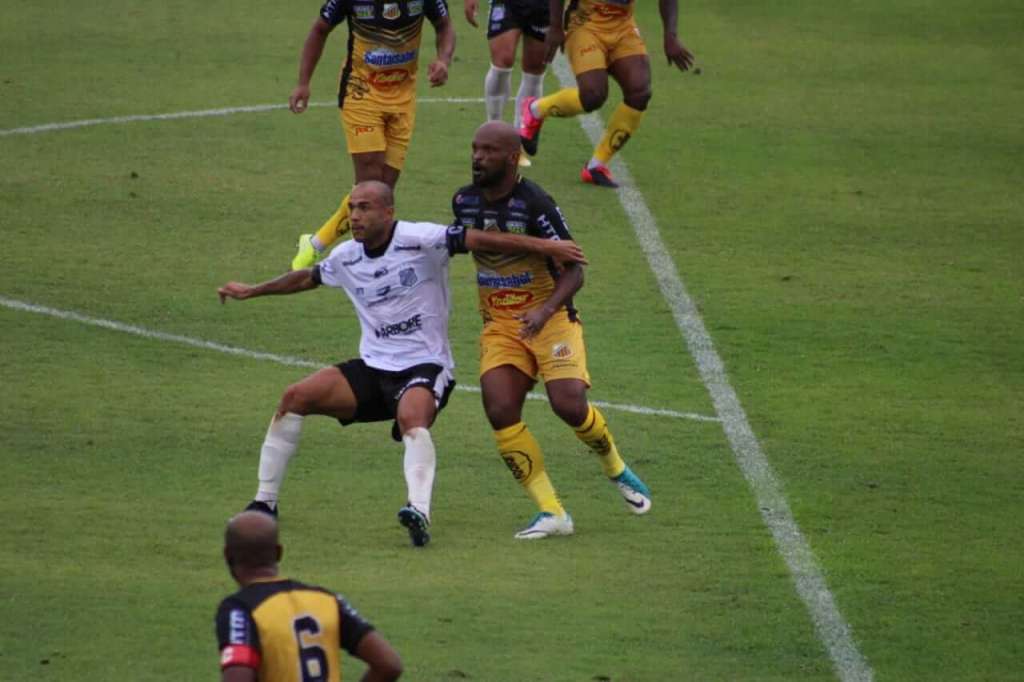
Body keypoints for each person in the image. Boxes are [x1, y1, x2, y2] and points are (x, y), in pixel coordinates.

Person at [218, 181, 585, 547]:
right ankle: (264, 503)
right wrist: (253, 290)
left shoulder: (422, 238)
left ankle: (419, 511)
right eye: (351, 209)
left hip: (425, 367)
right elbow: (307, 277)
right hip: (374, 367)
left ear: (388, 212)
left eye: (364, 208)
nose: (355, 217)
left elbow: (482, 240)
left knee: (412, 420)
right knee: (294, 397)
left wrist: (545, 245)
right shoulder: (347, 256)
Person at [450, 121, 651, 539]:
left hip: (551, 319)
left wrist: (544, 310)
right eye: (474, 148)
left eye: (487, 151)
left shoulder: (536, 202)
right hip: (502, 327)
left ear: (510, 157)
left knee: (569, 404)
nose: (477, 157)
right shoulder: (464, 202)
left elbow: (575, 270)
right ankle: (552, 512)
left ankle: (615, 467)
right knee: (500, 409)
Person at [288, 0, 457, 270]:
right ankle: (345, 254)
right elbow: (320, 29)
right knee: (369, 184)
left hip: (403, 98)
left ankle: (317, 242)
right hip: (361, 94)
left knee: (383, 192)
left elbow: (444, 25)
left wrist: (443, 60)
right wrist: (303, 83)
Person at [517, 0, 694, 187]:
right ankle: (535, 109)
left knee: (640, 92)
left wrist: (670, 35)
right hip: (585, 21)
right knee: (593, 95)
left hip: (622, 24)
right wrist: (555, 27)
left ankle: (596, 166)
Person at [215, 510, 403, 682]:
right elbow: (389, 664)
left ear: (227, 555)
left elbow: (238, 676)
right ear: (279, 552)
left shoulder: (240, 609)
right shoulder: (327, 600)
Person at [462, 0, 549, 167]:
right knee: (503, 61)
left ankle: (518, 144)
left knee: (535, 68)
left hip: (544, 5)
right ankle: (492, 136)